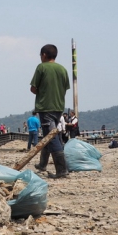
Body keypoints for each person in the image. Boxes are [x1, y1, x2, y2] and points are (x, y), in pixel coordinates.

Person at [30, 44, 71, 179]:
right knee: (49, 135)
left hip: (45, 107)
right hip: (59, 106)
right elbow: (65, 88)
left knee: (51, 137)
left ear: (44, 55)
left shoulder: (41, 67)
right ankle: (42, 164)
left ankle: (62, 169)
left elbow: (33, 89)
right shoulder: (63, 69)